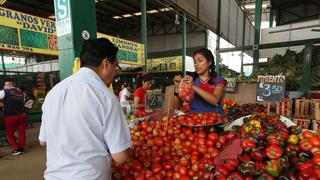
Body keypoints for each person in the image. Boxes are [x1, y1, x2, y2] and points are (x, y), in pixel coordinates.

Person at [39, 38, 132, 180]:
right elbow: (120, 157)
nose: (115, 72)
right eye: (116, 66)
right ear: (106, 64)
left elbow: (43, 141)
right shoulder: (105, 97)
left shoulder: (53, 92)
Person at [182, 48, 226, 114]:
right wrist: (177, 89)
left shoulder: (219, 80)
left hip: (215, 119)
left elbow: (215, 100)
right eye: (195, 62)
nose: (196, 64)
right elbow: (182, 102)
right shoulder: (192, 80)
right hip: (195, 120)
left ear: (209, 62)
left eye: (200, 61)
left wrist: (193, 86)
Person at [0, 80, 26, 155]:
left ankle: (16, 149)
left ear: (9, 85)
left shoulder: (4, 91)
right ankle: (21, 148)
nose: (4, 86)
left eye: (5, 85)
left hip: (10, 116)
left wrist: (2, 103)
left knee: (9, 134)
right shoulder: (21, 93)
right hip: (22, 115)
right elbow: (23, 103)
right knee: (21, 133)